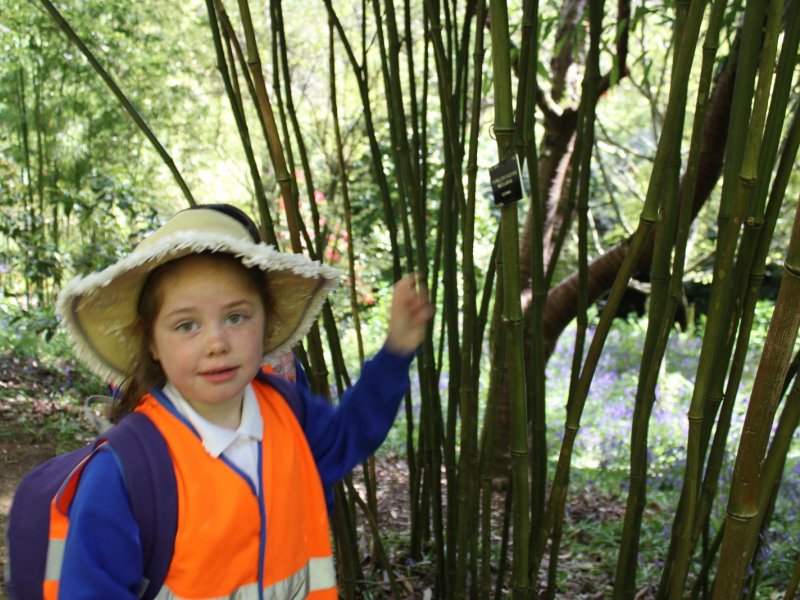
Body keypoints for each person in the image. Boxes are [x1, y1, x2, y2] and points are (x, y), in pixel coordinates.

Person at [53, 204, 433, 599]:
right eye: (187, 325)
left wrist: (395, 354)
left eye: (236, 317)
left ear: (266, 321)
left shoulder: (290, 412)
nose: (217, 343)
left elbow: (348, 436)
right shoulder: (126, 468)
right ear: (151, 341)